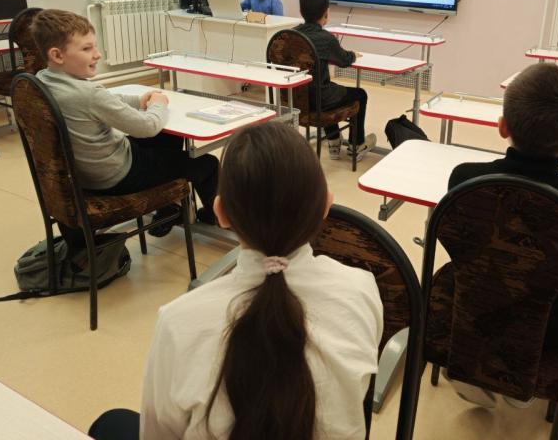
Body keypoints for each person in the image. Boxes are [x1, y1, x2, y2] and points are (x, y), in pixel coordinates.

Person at [95, 122, 380, 440]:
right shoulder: (362, 290)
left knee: (110, 423)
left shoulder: (177, 321)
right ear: (326, 204)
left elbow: (157, 434)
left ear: (221, 213)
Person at [447, 62, 558, 408]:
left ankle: (475, 374)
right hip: (548, 335)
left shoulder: (463, 180)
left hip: (468, 313)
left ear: (502, 126)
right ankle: (521, 387)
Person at [32, 9, 218, 240]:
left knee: (168, 137)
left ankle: (168, 208)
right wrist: (158, 103)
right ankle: (214, 217)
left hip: (82, 174)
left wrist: (138, 100)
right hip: (115, 175)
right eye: (87, 49)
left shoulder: (41, 81)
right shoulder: (87, 94)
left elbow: (105, 99)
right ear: (58, 55)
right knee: (206, 163)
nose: (98, 54)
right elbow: (147, 126)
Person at [294, 0, 376, 161]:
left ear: (301, 11)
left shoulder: (290, 35)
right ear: (326, 13)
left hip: (296, 100)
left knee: (329, 89)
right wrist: (353, 55)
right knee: (359, 94)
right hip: (320, 99)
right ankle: (357, 145)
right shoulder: (326, 39)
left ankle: (333, 141)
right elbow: (344, 60)